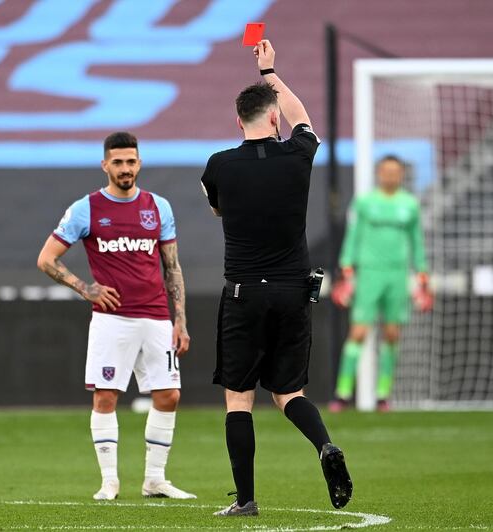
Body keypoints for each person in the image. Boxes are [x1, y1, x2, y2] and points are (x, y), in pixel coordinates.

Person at [200, 39, 352, 517]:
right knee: (289, 394)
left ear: (237, 121)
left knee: (239, 399)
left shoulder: (220, 165)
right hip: (293, 290)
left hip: (245, 292)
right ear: (275, 118)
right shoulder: (298, 154)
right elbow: (301, 112)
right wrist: (270, 69)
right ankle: (325, 446)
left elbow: (218, 209)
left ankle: (245, 500)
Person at [37, 132, 196, 500]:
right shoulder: (87, 208)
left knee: (169, 394)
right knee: (106, 396)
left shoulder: (159, 207)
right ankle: (109, 480)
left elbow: (172, 267)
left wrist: (181, 319)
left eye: (131, 161)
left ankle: (155, 478)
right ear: (105, 164)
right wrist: (86, 288)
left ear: (139, 163)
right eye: (118, 162)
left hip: (157, 317)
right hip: (113, 320)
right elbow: (47, 258)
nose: (125, 168)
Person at [329, 155, 432, 413]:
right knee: (359, 332)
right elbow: (353, 236)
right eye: (386, 171)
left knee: (392, 333)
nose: (390, 175)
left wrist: (422, 273)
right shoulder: (365, 202)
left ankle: (383, 395)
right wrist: (346, 266)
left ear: (401, 175)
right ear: (378, 173)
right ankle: (342, 393)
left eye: (395, 171)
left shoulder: (409, 204)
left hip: (397, 274)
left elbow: (417, 241)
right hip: (369, 274)